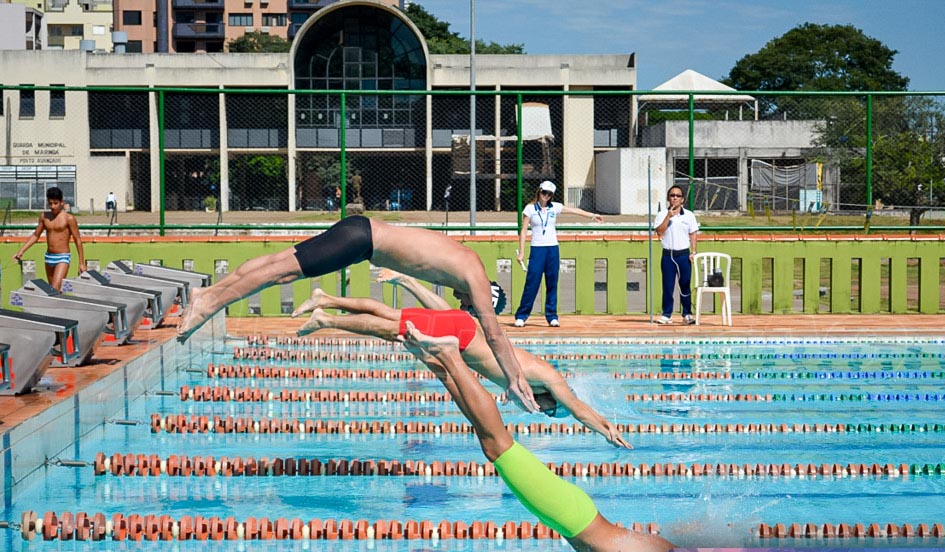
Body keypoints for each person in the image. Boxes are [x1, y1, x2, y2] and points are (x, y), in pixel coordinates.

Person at [175, 214, 539, 412]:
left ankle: (206, 295)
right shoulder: (474, 273)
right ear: (484, 297)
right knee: (280, 271)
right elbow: (494, 334)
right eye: (470, 306)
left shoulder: (464, 265)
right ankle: (209, 303)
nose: (462, 307)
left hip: (360, 233)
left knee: (277, 264)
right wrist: (514, 380)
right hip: (361, 240)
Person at [399, 323, 674, 552]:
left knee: (491, 443)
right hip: (574, 518)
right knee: (496, 444)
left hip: (575, 518)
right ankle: (448, 356)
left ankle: (438, 361)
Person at [292, 268, 631, 448]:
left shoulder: (526, 383)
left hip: (464, 333)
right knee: (391, 328)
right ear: (548, 401)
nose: (538, 411)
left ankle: (326, 298)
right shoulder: (547, 377)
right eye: (546, 410)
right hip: (463, 337)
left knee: (390, 317)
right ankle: (327, 318)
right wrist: (605, 429)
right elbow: (578, 407)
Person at [514, 180, 603, 328]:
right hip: (537, 249)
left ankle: (552, 316)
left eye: (549, 194)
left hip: (552, 249)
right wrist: (522, 251)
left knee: (552, 283)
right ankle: (522, 316)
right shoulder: (529, 209)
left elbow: (575, 211)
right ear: (539, 191)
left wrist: (592, 215)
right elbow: (523, 230)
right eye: (544, 192)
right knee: (532, 283)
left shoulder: (554, 207)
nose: (546, 196)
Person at [12, 186, 85, 292]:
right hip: (49, 257)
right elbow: (36, 235)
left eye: (55, 203)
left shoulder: (69, 219)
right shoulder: (44, 217)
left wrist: (81, 263)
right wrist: (21, 251)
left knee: (55, 289)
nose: (53, 206)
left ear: (61, 202)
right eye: (50, 203)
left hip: (62, 257)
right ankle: (59, 307)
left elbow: (78, 240)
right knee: (52, 291)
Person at [653, 185, 700, 325]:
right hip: (668, 255)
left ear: (682, 199)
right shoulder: (662, 214)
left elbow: (693, 234)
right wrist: (668, 216)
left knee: (685, 285)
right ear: (668, 198)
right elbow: (659, 232)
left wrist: (694, 252)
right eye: (672, 195)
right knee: (668, 286)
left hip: (683, 255)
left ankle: (687, 314)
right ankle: (667, 314)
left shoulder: (689, 215)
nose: (675, 198)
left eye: (678, 196)